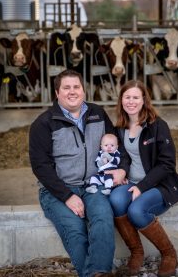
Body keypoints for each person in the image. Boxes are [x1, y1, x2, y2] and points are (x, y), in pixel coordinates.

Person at [29, 69, 128, 277]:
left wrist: (122, 169)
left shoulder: (98, 114)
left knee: (102, 218)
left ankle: (98, 272)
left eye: (76, 87)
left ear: (84, 90)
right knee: (75, 230)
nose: (72, 92)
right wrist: (67, 196)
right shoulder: (43, 123)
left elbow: (117, 145)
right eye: (66, 87)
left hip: (94, 184)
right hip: (58, 190)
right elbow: (40, 166)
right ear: (57, 93)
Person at [109, 80, 178, 277]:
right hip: (132, 182)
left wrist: (142, 187)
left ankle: (169, 254)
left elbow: (167, 163)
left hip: (158, 184)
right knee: (116, 200)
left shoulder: (157, 125)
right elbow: (125, 158)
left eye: (135, 97)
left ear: (144, 100)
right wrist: (122, 172)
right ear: (121, 100)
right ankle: (137, 252)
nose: (131, 101)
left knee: (136, 210)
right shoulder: (120, 126)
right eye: (127, 97)